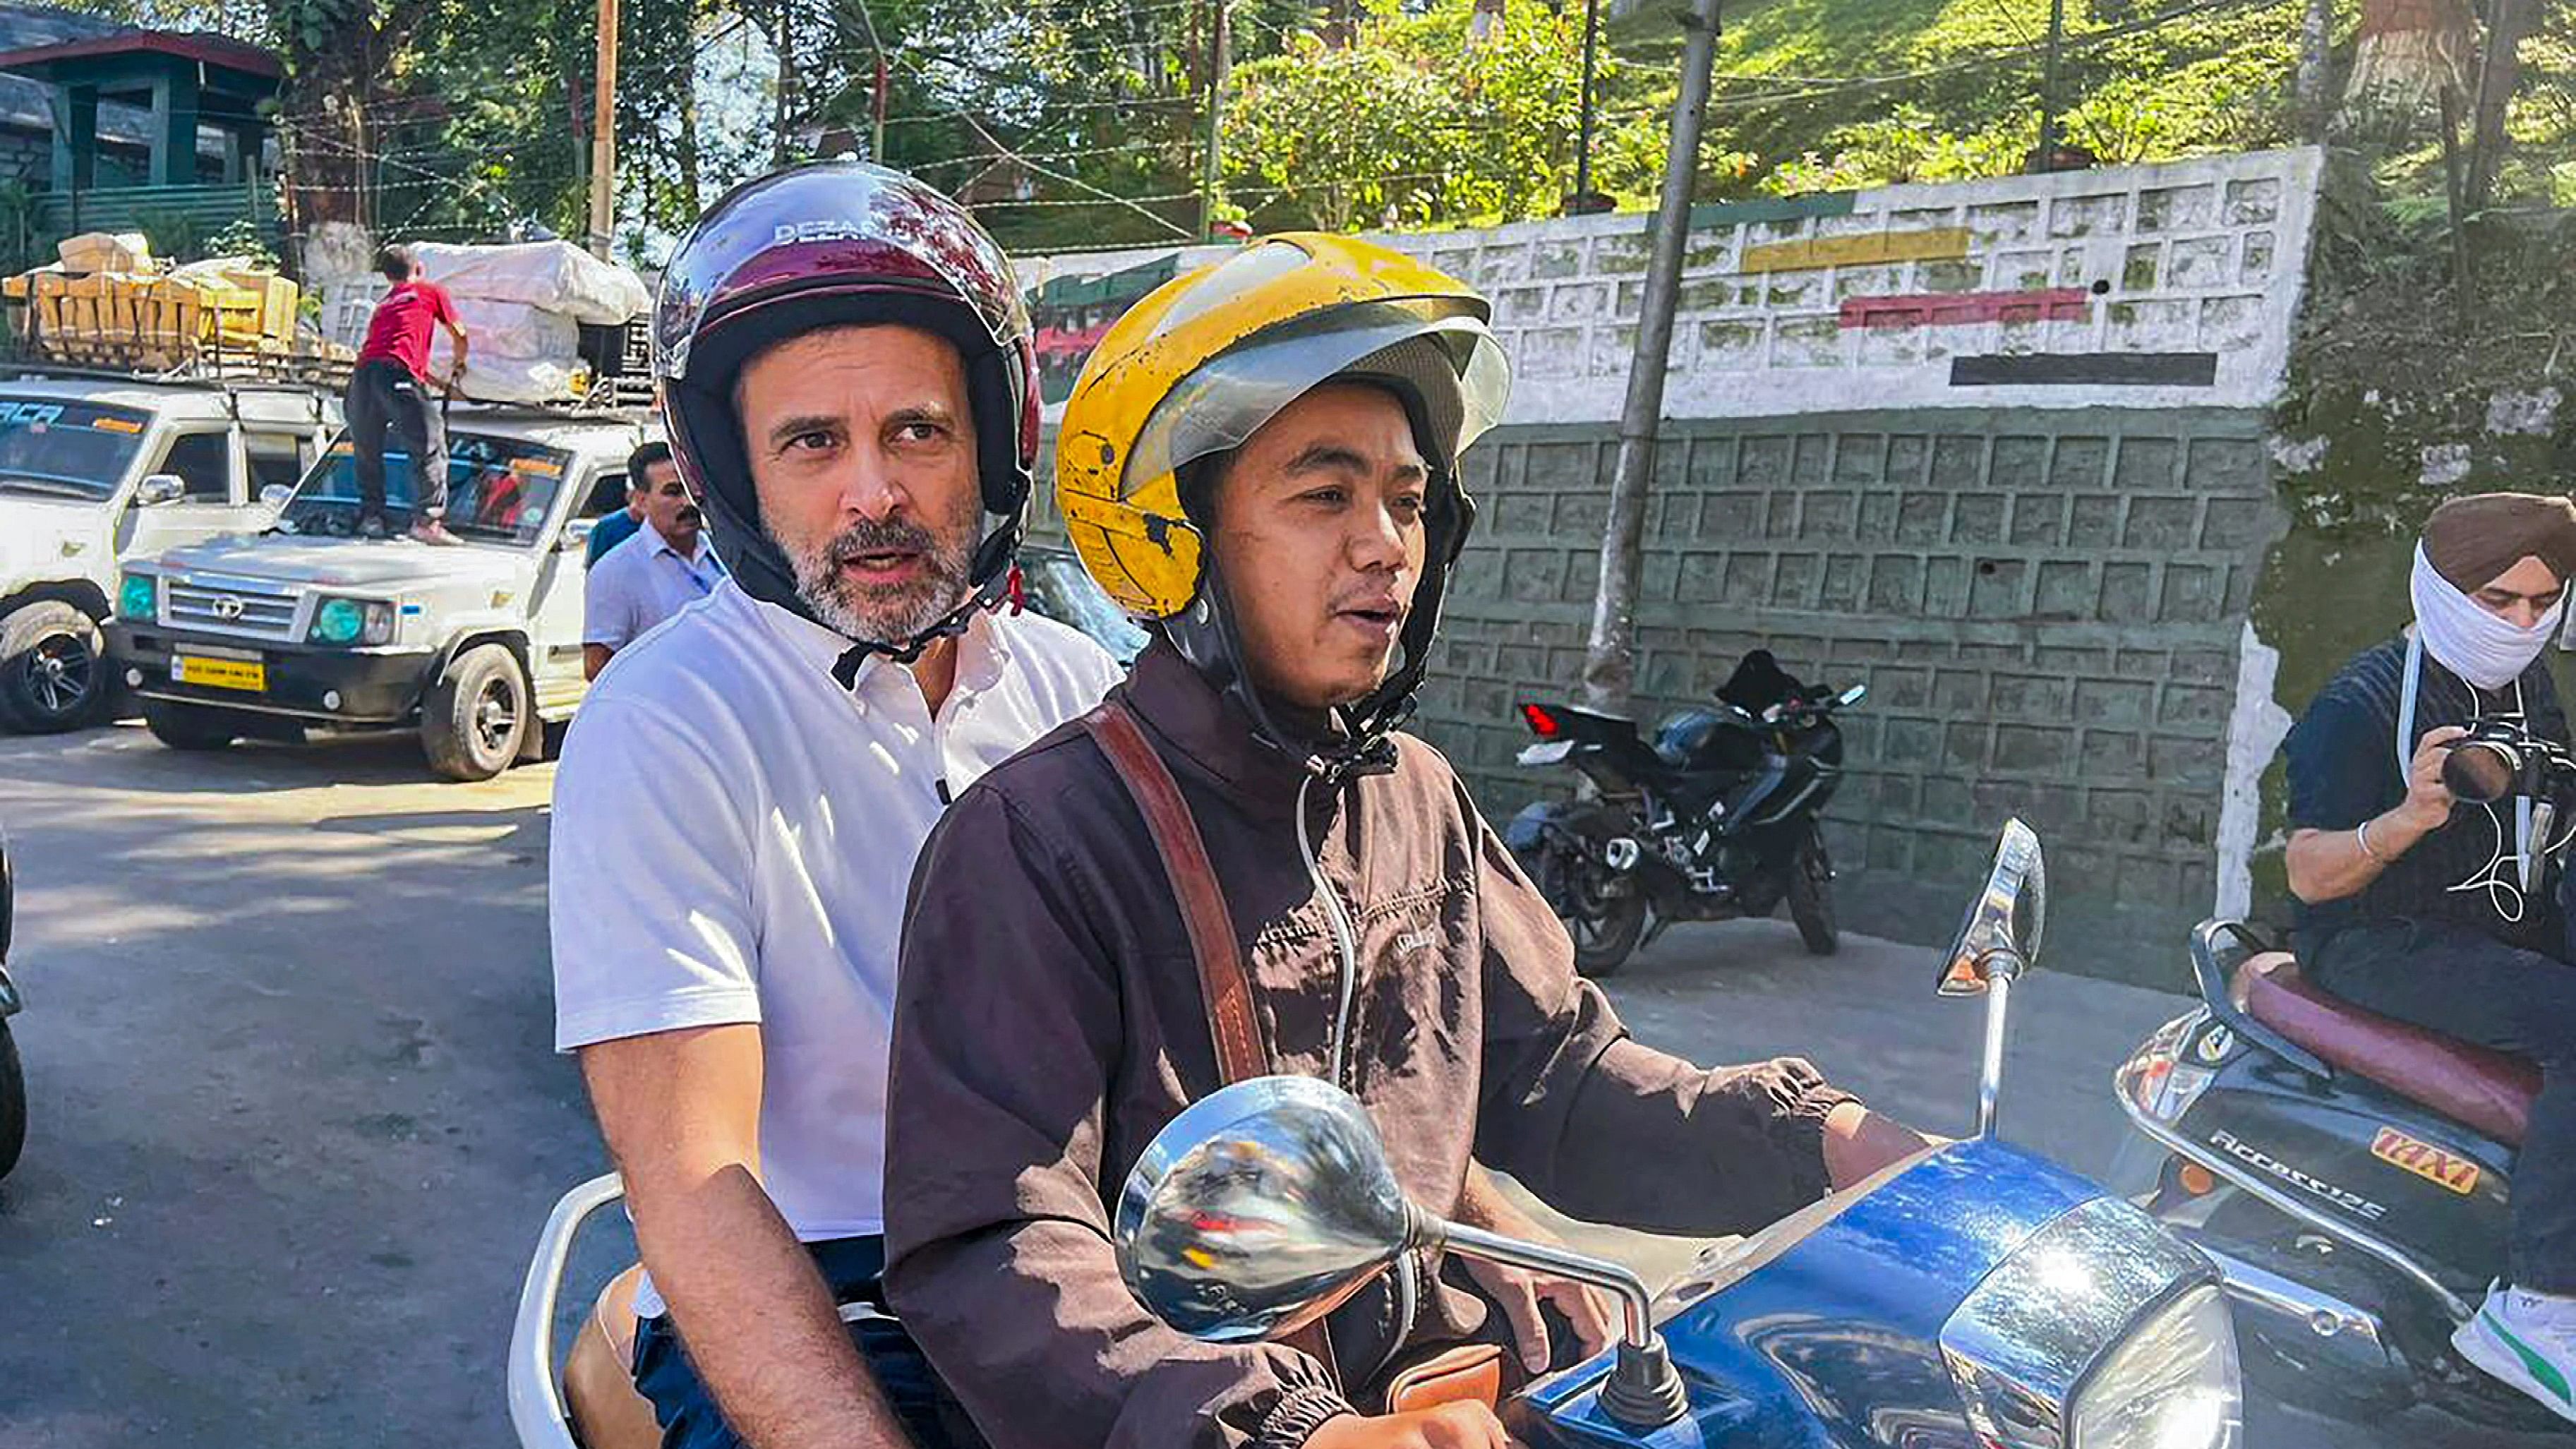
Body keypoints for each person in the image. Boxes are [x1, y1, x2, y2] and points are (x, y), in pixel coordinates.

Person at [881, 236, 1930, 1449]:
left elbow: (1560, 1081)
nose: (1384, 541)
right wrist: (1284, 1430)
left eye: (1408, 499)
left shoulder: (1413, 795)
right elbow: (1002, 1245)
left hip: (1449, 1395)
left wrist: (1819, 1138)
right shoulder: (1039, 840)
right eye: (1324, 494)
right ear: (1178, 537)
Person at [547, 163, 1128, 1449]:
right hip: (826, 1278)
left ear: (991, 444)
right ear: (739, 478)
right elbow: (694, 1174)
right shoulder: (666, 720)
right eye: (813, 442)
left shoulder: (1074, 688)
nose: (874, 493)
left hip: (1080, 1259)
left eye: (916, 431)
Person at [2281, 491, 2576, 1422]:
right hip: (2374, 939)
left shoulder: (2529, 686)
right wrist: (2406, 819)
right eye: (2498, 600)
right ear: (2445, 592)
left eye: (2541, 601)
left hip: (2495, 922)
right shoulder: (2359, 700)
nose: (2523, 622)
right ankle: (2535, 1306)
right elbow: (2307, 875)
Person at [347, 244, 468, 546]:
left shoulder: (385, 303)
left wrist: (438, 384)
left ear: (387, 276)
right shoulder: (430, 292)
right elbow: (459, 332)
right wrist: (460, 362)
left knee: (367, 450)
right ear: (419, 269)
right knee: (430, 444)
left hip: (362, 378)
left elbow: (392, 353)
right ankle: (428, 522)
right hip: (395, 376)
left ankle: (372, 517)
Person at [582, 442, 723, 679]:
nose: (687, 503)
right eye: (673, 492)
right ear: (642, 500)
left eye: (691, 489)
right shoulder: (616, 571)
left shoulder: (724, 555)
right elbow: (597, 667)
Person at [589, 468, 650, 567]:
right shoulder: (607, 527)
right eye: (640, 497)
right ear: (630, 496)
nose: (645, 502)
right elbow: (595, 568)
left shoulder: (663, 524)